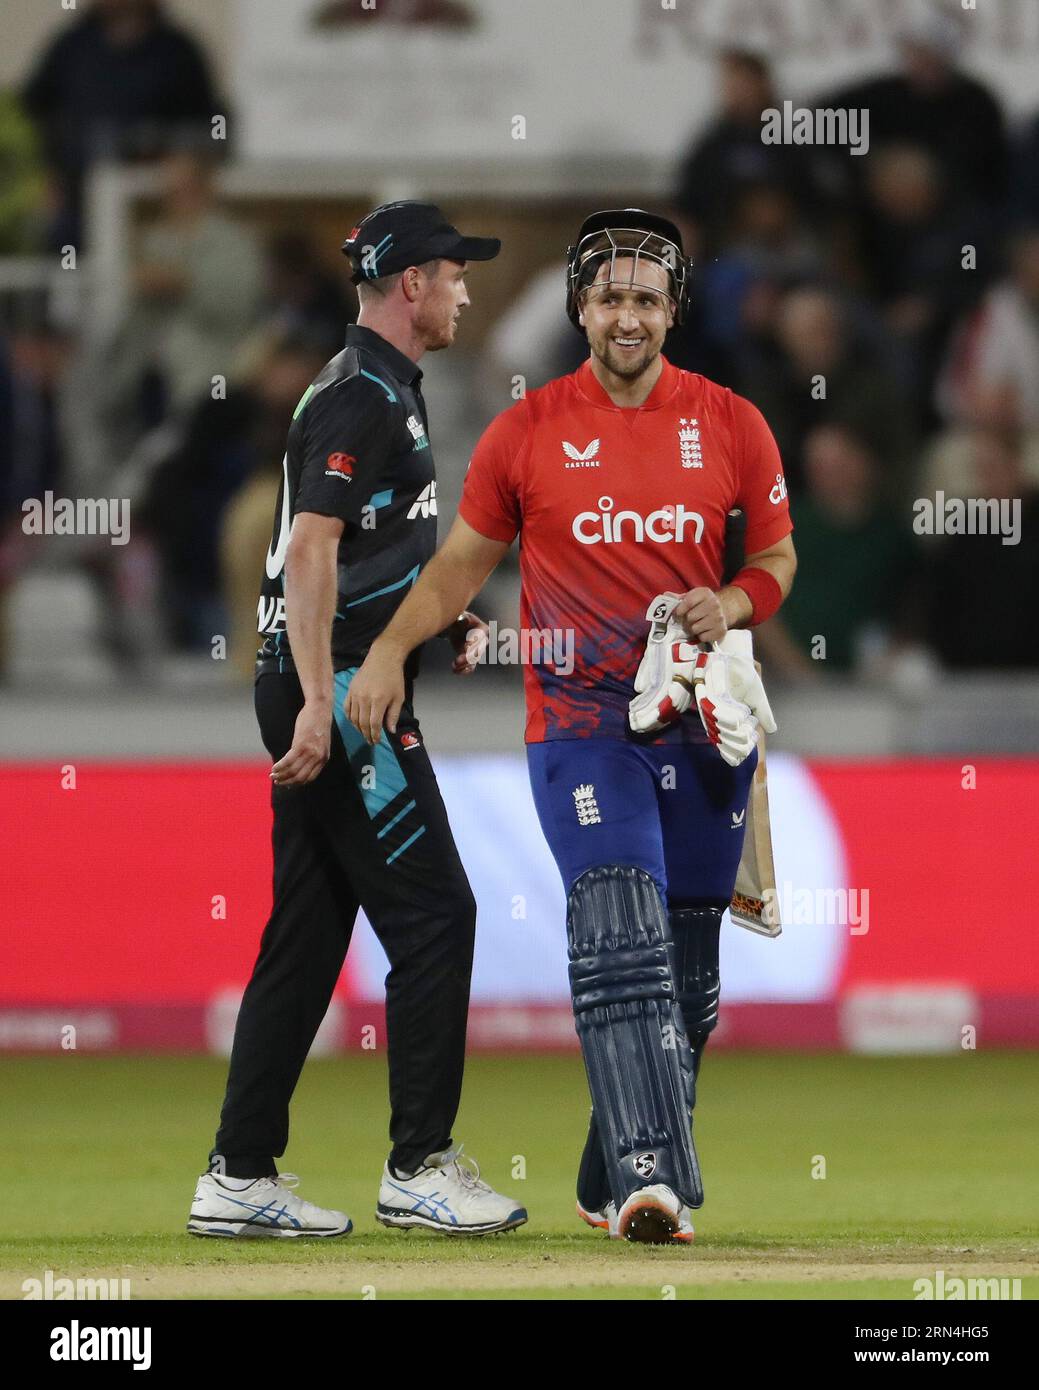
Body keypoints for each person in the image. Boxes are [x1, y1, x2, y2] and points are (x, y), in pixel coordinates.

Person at [347, 209, 796, 1243]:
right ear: (579, 310)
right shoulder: (527, 429)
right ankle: (652, 1181)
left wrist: (728, 605)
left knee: (688, 991)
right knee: (617, 929)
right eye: (608, 299)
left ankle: (602, 1181)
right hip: (581, 723)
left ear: (671, 309)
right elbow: (460, 565)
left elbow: (775, 562)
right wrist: (385, 651)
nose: (626, 317)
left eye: (645, 298)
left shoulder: (731, 422)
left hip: (699, 726)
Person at [188, 201, 526, 1238]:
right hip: (340, 696)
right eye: (455, 273)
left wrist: (435, 622)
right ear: (411, 283)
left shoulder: (377, 389)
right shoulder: (362, 396)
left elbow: (370, 548)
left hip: (335, 683)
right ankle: (418, 1165)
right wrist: (320, 706)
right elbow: (316, 550)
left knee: (304, 934)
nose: (467, 289)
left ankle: (238, 1176)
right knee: (437, 916)